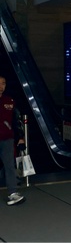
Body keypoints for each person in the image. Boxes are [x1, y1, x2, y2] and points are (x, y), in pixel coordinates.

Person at [0, 74, 25, 205]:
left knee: (9, 166)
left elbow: (16, 120)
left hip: (7, 139)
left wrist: (20, 137)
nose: (1, 86)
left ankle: (13, 193)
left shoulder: (9, 101)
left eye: (3, 83)